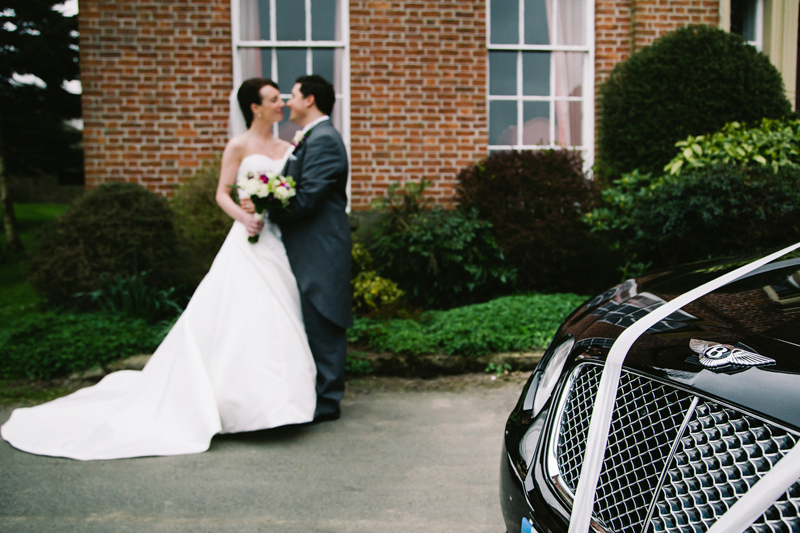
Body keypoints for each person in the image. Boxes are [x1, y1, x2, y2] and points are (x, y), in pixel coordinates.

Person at [0, 78, 317, 460]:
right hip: (246, 238)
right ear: (255, 107)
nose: (280, 104)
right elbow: (221, 191)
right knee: (239, 311)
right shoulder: (238, 145)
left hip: (276, 239)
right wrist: (243, 215)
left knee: (280, 311)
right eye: (272, 100)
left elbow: (292, 192)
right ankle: (241, 406)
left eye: (281, 99)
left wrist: (273, 207)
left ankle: (284, 406)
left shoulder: (287, 147)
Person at [269, 75, 352, 422]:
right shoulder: (312, 137)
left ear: (311, 100)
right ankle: (316, 393)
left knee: (323, 316)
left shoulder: (324, 141)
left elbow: (307, 199)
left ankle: (327, 401)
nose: (288, 102)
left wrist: (266, 204)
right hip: (308, 245)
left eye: (294, 96)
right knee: (312, 317)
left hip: (321, 246)